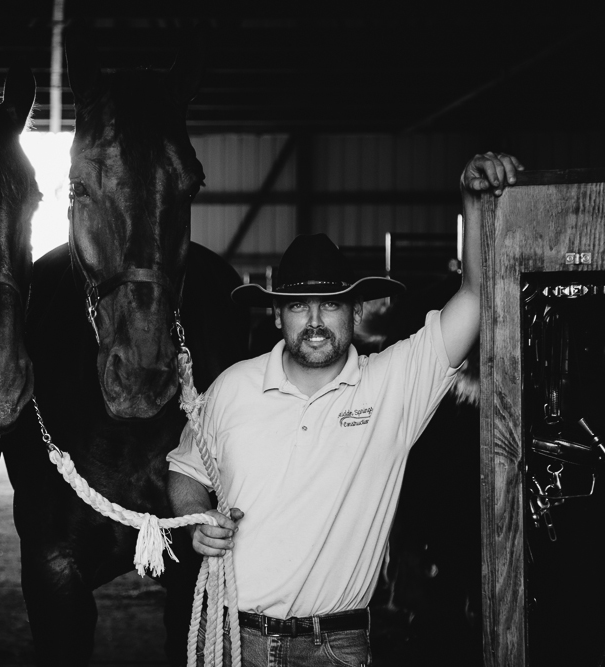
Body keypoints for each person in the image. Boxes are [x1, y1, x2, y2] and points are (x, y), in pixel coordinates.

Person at [167, 152, 523, 666]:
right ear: (276, 313)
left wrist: (471, 201)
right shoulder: (231, 388)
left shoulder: (393, 384)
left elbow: (473, 296)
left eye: (331, 303)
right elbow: (185, 469)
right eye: (296, 305)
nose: (314, 320)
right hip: (234, 638)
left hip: (335, 647)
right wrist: (196, 517)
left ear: (356, 311)